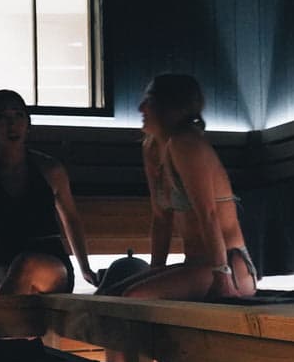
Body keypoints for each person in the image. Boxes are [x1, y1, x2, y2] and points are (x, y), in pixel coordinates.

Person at [104, 74, 257, 299]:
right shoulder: (152, 148)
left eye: (149, 100)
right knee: (109, 296)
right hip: (194, 266)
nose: (140, 108)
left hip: (230, 267)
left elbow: (208, 214)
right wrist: (156, 270)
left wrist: (222, 277)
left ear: (171, 106)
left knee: (134, 296)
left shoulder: (186, 144)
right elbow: (161, 219)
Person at [0, 89, 98, 294]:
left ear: (28, 123)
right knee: (11, 279)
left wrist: (85, 268)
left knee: (25, 265)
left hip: (50, 261)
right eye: (2, 117)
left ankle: (3, 313)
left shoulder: (51, 169)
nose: (12, 124)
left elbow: (71, 219)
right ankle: (7, 312)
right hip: (2, 261)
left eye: (18, 115)